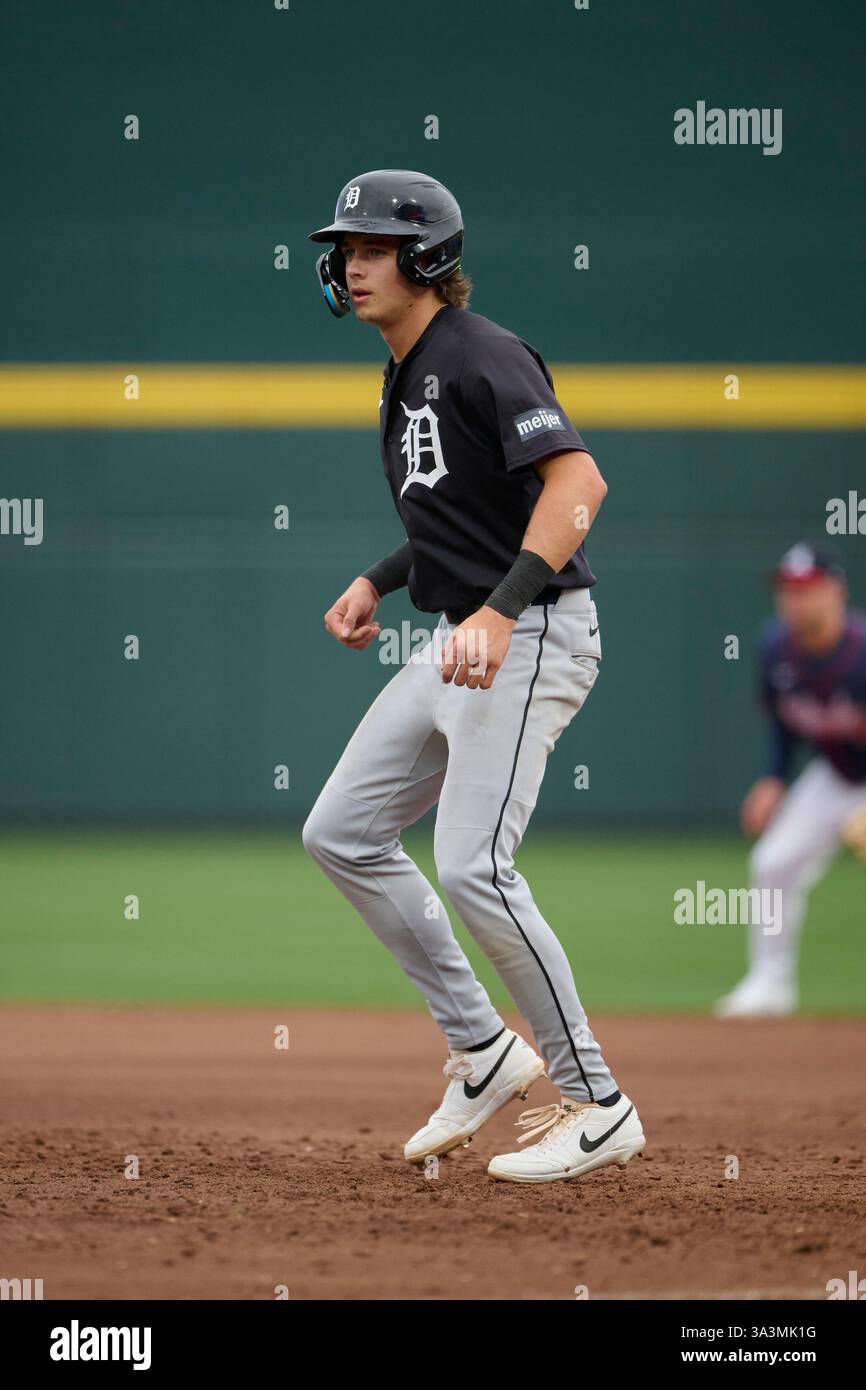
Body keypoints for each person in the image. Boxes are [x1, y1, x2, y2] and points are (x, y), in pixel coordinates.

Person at [302, 169, 645, 1183]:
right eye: (344, 249)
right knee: (341, 831)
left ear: (427, 258)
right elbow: (465, 519)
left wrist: (499, 609)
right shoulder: (408, 368)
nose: (350, 263)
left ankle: (597, 1100)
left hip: (528, 632)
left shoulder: (476, 353)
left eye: (370, 247)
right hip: (466, 635)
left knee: (472, 868)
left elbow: (576, 484)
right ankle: (485, 1047)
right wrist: (379, 576)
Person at [715, 543, 866, 1018]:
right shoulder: (775, 645)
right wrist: (774, 779)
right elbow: (785, 724)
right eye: (788, 590)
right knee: (773, 863)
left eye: (808, 589)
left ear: (836, 592)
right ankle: (770, 984)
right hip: (836, 776)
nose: (796, 600)